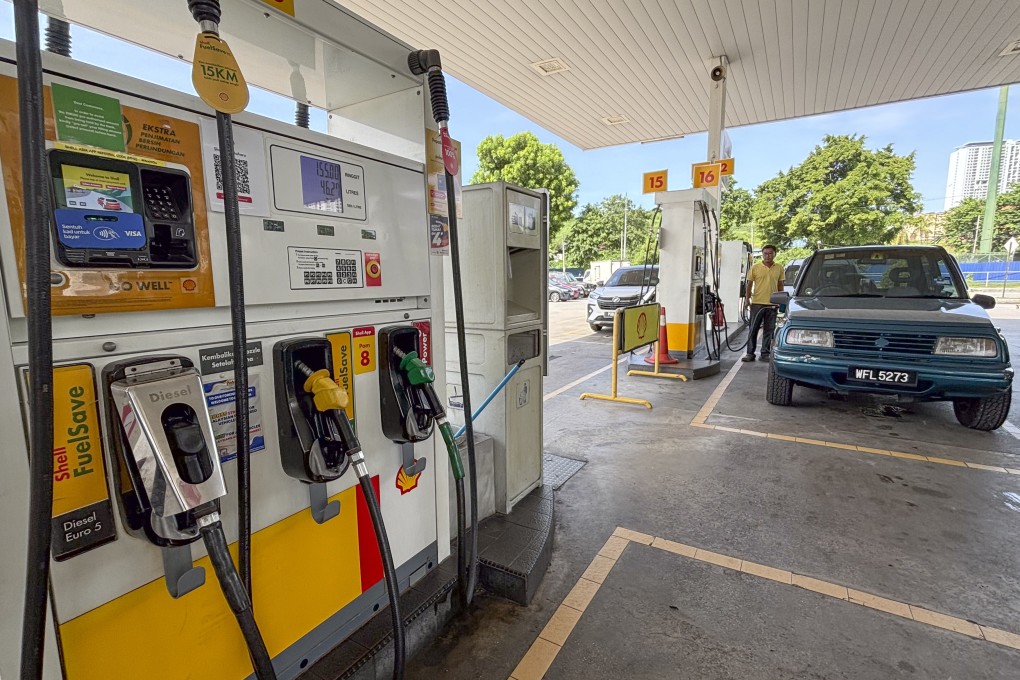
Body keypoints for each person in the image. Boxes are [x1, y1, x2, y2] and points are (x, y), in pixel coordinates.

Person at [743, 245, 784, 362]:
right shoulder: (755, 268)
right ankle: (750, 353)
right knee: (753, 328)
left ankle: (765, 353)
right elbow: (749, 285)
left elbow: (780, 285)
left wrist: (781, 301)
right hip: (757, 303)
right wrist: (747, 299)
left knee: (769, 329)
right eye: (765, 253)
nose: (767, 256)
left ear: (774, 254)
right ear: (762, 254)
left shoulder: (779, 268)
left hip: (772, 304)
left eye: (770, 253)